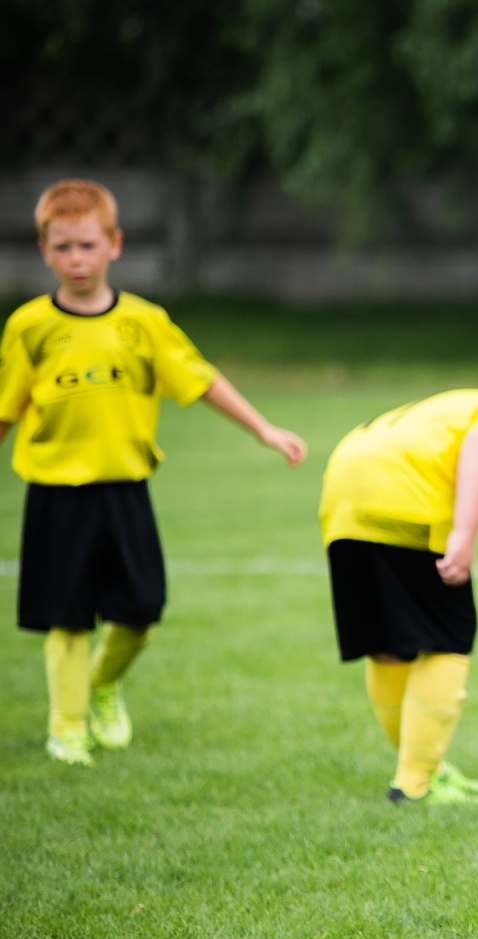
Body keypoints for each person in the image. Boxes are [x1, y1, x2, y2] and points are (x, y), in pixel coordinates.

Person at [0, 179, 306, 766]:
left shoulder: (144, 323)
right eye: (62, 248)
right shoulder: (29, 327)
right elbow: (5, 406)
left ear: (114, 243)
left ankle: (102, 688)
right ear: (44, 250)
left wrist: (264, 428)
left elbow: (201, 378)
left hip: (125, 489)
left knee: (141, 611)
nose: (76, 259)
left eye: (87, 245)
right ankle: (66, 728)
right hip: (55, 492)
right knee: (66, 619)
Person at [319, 382, 478, 806]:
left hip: (344, 497)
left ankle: (423, 771)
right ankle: (415, 785)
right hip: (406, 502)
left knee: (388, 646)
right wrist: (464, 533)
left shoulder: (458, 409)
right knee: (448, 637)